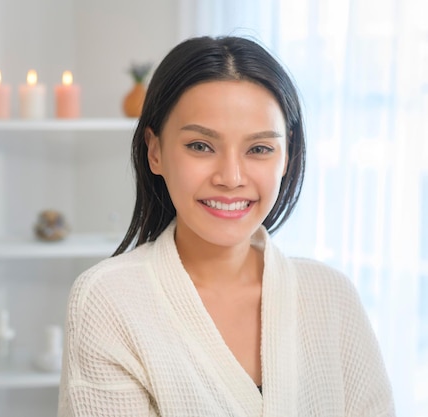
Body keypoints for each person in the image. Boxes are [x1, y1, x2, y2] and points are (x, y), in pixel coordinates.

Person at [57, 36, 395, 417]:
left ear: (287, 156)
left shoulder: (332, 298)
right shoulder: (108, 301)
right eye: (201, 146)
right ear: (155, 151)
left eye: (259, 149)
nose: (231, 178)